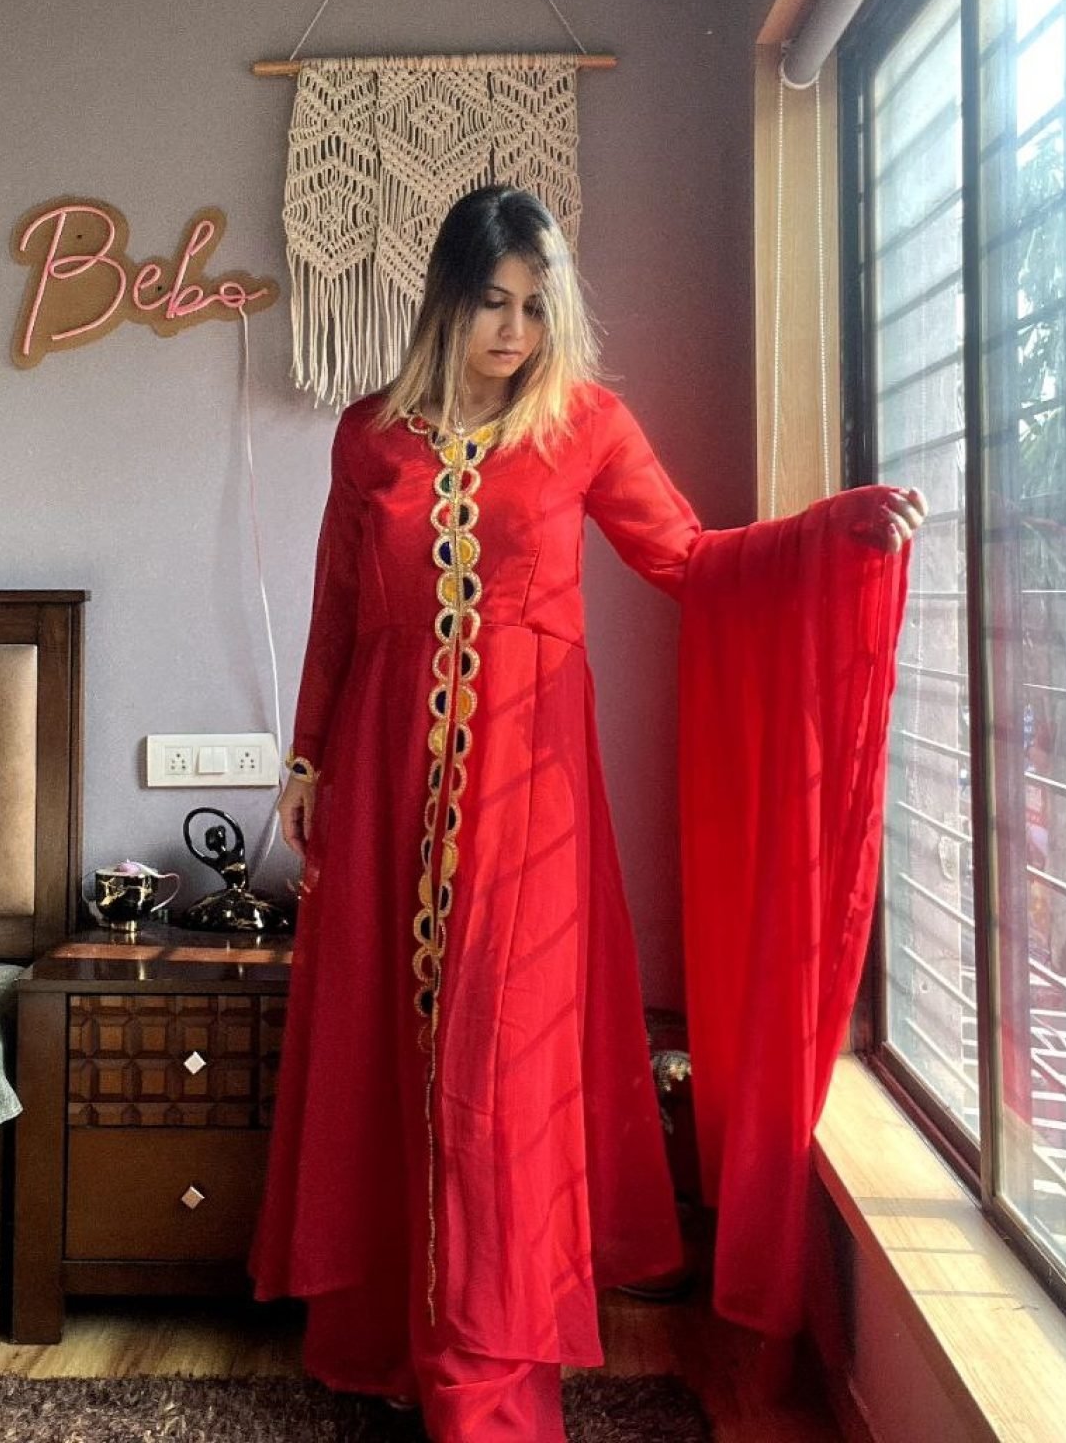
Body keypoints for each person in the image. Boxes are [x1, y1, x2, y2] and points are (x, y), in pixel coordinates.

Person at [246, 184, 925, 1441]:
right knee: (394, 1053)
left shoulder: (587, 427)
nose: (514, 332)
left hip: (527, 801)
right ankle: (398, 1340)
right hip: (384, 780)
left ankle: (487, 1385)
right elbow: (339, 607)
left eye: (534, 306)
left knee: (497, 1072)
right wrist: (304, 761)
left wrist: (829, 535)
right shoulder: (369, 438)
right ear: (446, 302)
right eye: (492, 304)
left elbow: (692, 560)